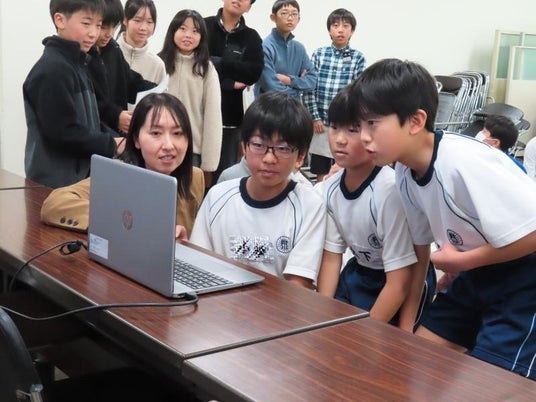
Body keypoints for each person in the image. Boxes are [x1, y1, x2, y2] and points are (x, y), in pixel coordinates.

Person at [349, 58, 536, 379]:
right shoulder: (404, 173)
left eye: (373, 124)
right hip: (476, 274)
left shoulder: (462, 161)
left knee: (493, 385)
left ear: (415, 121)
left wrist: (465, 261)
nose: (363, 137)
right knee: (416, 365)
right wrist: (407, 326)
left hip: (526, 278)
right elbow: (421, 253)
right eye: (359, 126)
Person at [315, 87, 435, 331]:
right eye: (334, 127)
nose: (339, 139)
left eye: (353, 130)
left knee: (369, 343)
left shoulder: (389, 191)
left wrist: (365, 334)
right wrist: (321, 317)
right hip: (359, 272)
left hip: (399, 279)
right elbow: (331, 258)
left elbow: (400, 282)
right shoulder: (330, 189)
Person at [190, 91, 325, 289]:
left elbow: (298, 285)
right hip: (216, 303)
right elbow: (198, 265)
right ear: (244, 147)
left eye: (283, 148)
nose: (269, 158)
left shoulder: (309, 206)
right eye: (259, 145)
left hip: (280, 307)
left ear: (300, 156)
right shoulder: (217, 196)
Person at [41, 92, 205, 239]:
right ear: (136, 139)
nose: (168, 145)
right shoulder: (118, 175)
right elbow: (54, 204)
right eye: (156, 133)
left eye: (177, 133)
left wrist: (184, 245)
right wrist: (126, 223)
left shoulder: (194, 178)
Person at [23, 0, 123, 189]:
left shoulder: (78, 65)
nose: (93, 33)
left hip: (76, 182)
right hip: (54, 186)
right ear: (60, 20)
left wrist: (120, 139)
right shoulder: (52, 70)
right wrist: (112, 144)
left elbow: (90, 123)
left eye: (98, 25)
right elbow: (63, 133)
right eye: (86, 23)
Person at [158, 9, 222, 189]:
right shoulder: (159, 63)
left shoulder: (206, 69)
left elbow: (213, 117)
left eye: (195, 31)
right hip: (158, 148)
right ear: (173, 31)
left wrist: (209, 164)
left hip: (192, 151)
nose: (188, 35)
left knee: (187, 202)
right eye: (183, 28)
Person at [303, 8, 366, 182]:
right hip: (320, 123)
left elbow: (359, 93)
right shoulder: (319, 54)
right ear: (329, 30)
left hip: (346, 123)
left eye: (346, 26)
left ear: (352, 31)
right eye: (336, 25)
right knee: (321, 169)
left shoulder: (358, 58)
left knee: (345, 166)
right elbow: (309, 88)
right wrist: (315, 117)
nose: (340, 30)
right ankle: (322, 197)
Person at [204, 0, 264, 182]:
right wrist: (229, 82)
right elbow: (198, 65)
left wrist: (216, 62)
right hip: (200, 114)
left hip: (230, 118)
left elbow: (253, 73)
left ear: (249, 7)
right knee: (197, 175)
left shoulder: (252, 37)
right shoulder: (203, 26)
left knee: (224, 175)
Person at [88, 0, 156, 134]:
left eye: (114, 27)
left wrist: (156, 91)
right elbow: (89, 103)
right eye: (103, 27)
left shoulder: (113, 49)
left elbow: (130, 82)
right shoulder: (83, 57)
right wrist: (116, 116)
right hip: (96, 134)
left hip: (117, 135)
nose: (110, 33)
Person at [254, 0, 316, 100]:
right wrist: (297, 91)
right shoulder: (264, 47)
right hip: (268, 106)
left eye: (294, 14)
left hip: (293, 108)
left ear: (299, 19)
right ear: (273, 17)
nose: (290, 18)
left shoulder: (299, 48)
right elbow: (270, 85)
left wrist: (289, 80)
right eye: (284, 13)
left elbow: (312, 81)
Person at [117, 0, 166, 83]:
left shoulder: (157, 65)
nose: (143, 28)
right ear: (125, 20)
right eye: (137, 20)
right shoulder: (109, 53)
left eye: (149, 22)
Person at [217, 155, 312, 187]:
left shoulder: (294, 183)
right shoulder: (228, 176)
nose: (269, 158)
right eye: (259, 145)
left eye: (281, 148)